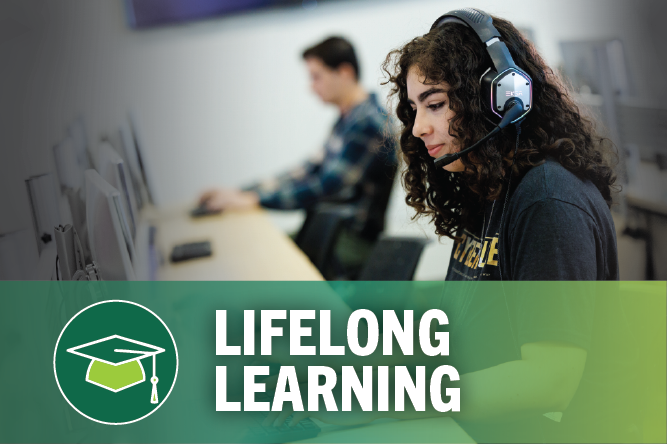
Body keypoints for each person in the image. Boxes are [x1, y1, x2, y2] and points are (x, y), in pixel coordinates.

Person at [264, 10, 640, 443]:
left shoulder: (548, 200)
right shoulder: (488, 185)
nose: (419, 127)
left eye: (436, 103)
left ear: (501, 97)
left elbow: (549, 380)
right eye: (414, 108)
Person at [199, 37, 397, 276]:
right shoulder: (348, 119)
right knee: (251, 255)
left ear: (344, 72)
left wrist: (256, 199)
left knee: (257, 263)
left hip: (350, 240)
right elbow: (308, 169)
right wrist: (245, 193)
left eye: (316, 77)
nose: (311, 86)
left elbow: (324, 187)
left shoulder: (369, 124)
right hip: (326, 229)